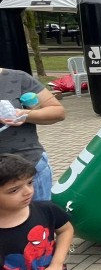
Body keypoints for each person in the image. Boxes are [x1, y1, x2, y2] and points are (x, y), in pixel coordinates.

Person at [0, 153, 75, 270]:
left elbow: (65, 230)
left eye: (29, 182)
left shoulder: (46, 210)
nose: (27, 191)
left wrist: (57, 264)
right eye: (14, 190)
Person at [0, 68, 66, 201]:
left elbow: (57, 111)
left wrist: (23, 114)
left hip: (27, 168)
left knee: (36, 219)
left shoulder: (17, 78)